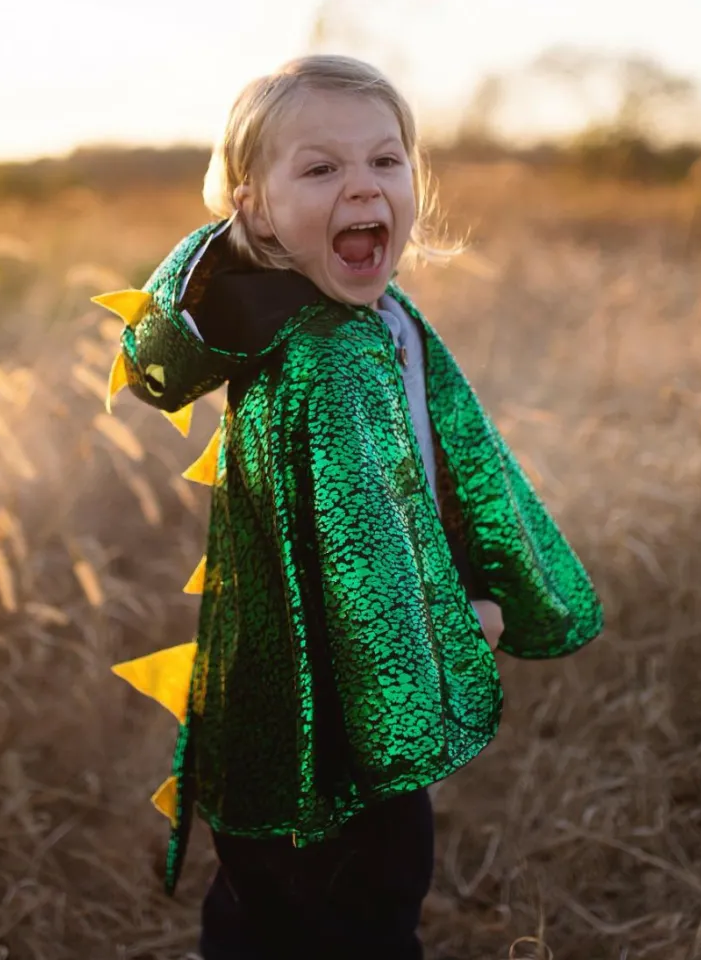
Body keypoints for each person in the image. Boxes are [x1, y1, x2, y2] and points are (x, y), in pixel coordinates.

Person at [95, 54, 603, 960]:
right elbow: (367, 570)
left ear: (416, 180)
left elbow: (424, 479)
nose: (363, 185)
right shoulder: (326, 359)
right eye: (321, 168)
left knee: (261, 921)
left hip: (281, 725)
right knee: (357, 923)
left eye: (385, 161)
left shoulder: (371, 316)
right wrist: (470, 623)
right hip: (332, 738)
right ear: (252, 206)